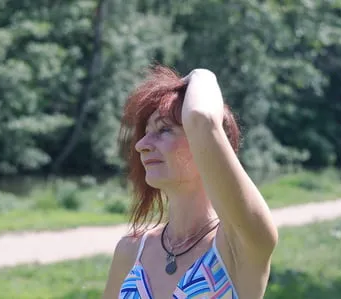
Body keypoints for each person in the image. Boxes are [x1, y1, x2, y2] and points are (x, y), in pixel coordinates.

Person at [102, 65, 278, 299]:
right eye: (145, 132)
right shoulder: (131, 250)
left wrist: (199, 74)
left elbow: (201, 117)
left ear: (208, 145)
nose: (141, 145)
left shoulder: (240, 244)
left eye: (164, 130)